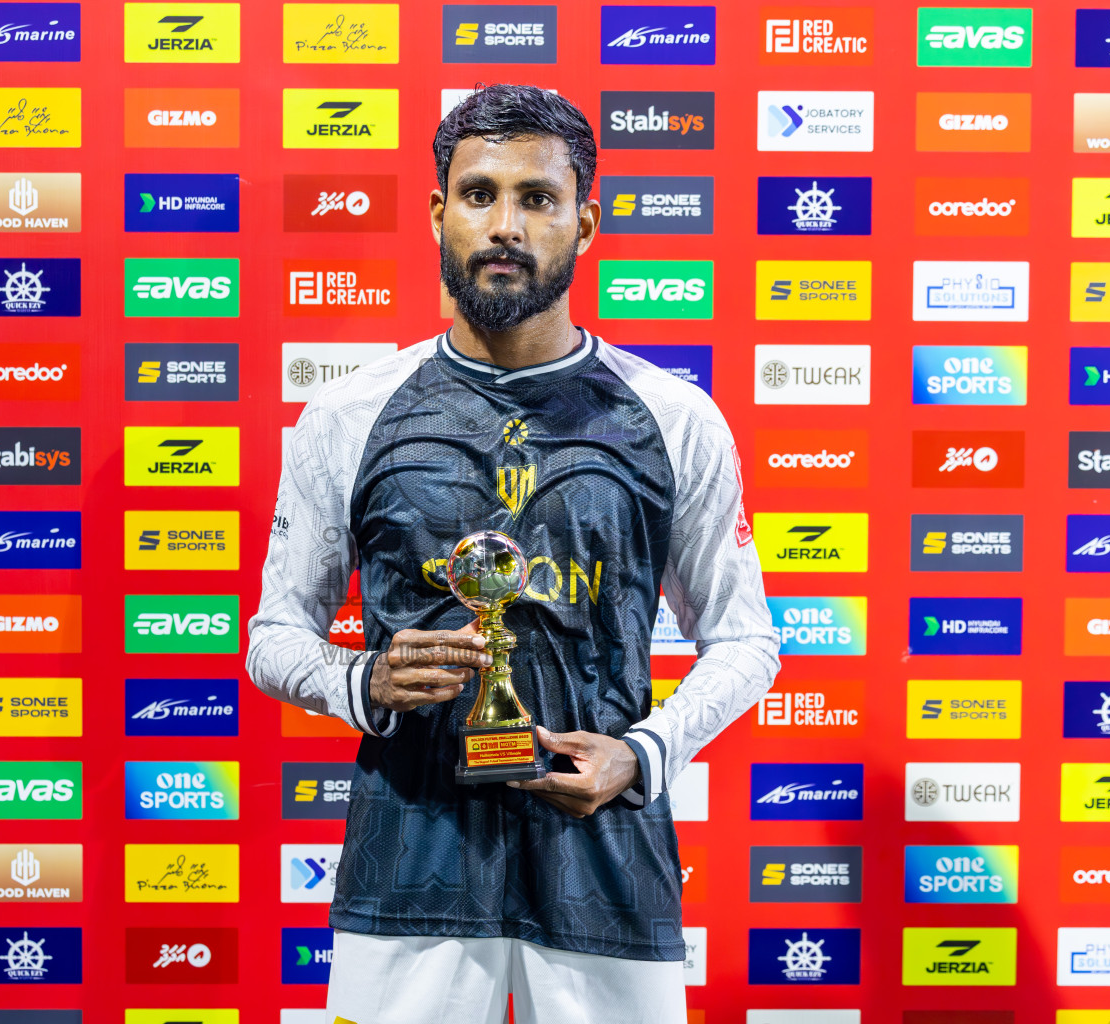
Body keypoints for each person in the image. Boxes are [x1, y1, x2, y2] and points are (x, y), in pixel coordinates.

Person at [247, 84, 780, 1024]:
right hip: (411, 866)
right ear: (437, 213)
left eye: (537, 198)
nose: (505, 225)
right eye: (480, 193)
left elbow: (745, 642)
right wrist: (363, 682)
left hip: (606, 867)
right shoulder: (349, 413)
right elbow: (273, 636)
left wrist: (644, 756)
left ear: (586, 223)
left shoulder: (675, 417)